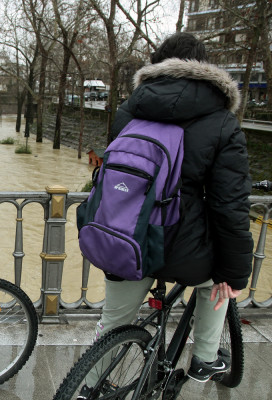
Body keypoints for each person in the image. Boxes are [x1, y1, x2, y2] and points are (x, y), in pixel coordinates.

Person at [80, 32, 253, 398]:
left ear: (157, 64)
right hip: (184, 251)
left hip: (126, 239)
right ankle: (205, 358)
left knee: (112, 321)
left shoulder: (129, 110)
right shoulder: (222, 122)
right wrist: (234, 272)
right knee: (215, 286)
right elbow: (228, 206)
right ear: (205, 68)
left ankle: (91, 384)